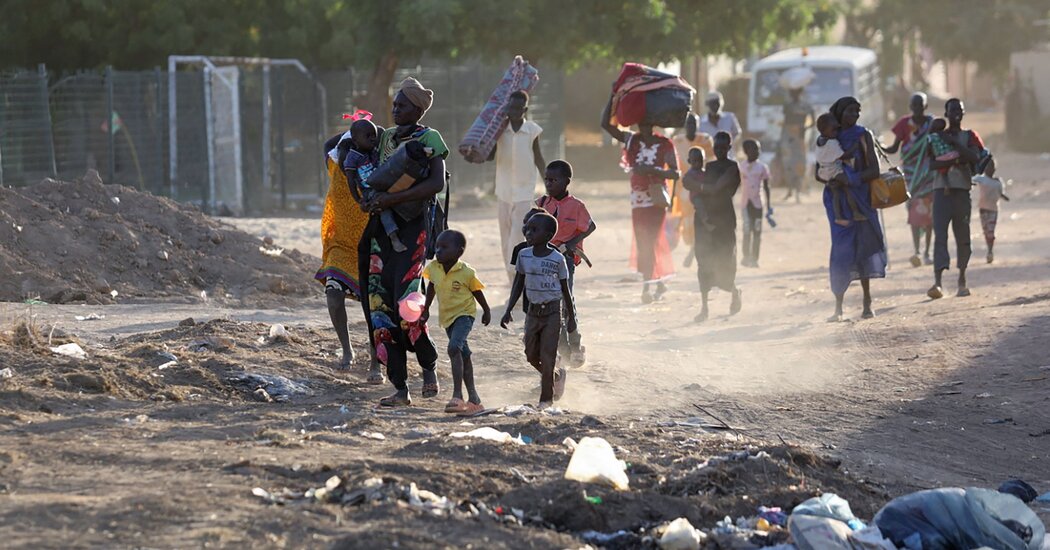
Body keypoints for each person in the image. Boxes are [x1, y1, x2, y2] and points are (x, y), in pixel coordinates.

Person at [358, 77, 448, 407]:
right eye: (394, 105)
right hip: (382, 232)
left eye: (402, 105)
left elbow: (436, 184)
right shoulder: (385, 139)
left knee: (408, 306)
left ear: (418, 109)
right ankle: (400, 387)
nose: (395, 109)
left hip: (413, 230)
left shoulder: (430, 138)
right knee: (380, 307)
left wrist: (391, 201)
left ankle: (428, 367)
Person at [600, 94, 679, 304]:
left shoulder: (665, 144)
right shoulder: (632, 139)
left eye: (646, 123)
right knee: (643, 239)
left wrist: (652, 170)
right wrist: (613, 95)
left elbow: (675, 173)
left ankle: (648, 286)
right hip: (637, 198)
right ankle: (656, 281)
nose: (643, 126)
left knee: (650, 239)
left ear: (653, 123)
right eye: (640, 123)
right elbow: (605, 125)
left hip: (656, 197)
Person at [816, 97, 887, 322]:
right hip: (838, 202)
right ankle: (838, 306)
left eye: (857, 111)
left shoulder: (863, 135)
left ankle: (867, 302)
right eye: (849, 111)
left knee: (864, 249)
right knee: (841, 251)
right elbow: (817, 171)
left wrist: (851, 179)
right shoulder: (826, 139)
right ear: (839, 113)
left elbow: (874, 170)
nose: (855, 115)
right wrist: (833, 180)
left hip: (861, 198)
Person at [500, 212, 578, 408]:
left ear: (549, 234)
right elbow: (518, 283)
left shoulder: (557, 259)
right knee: (530, 354)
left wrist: (571, 318)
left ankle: (546, 401)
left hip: (553, 312)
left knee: (547, 355)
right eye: (527, 229)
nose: (528, 232)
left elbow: (565, 289)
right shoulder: (523, 255)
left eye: (534, 230)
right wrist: (508, 309)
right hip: (533, 312)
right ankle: (555, 375)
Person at [316, 125, 374, 370]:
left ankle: (376, 359)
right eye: (344, 153)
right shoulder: (334, 167)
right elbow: (328, 143)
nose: (348, 158)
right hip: (340, 246)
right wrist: (354, 129)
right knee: (333, 296)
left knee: (373, 307)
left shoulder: (371, 172)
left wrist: (365, 134)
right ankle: (347, 349)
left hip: (371, 247)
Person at [420, 230, 491, 416]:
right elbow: (432, 287)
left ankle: (457, 395)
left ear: (459, 252)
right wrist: (426, 309)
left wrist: (487, 310)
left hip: (464, 314)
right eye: (437, 247)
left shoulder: (466, 272)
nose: (438, 251)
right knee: (463, 354)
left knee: (453, 349)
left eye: (444, 247)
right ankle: (474, 399)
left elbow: (477, 291)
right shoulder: (434, 268)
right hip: (448, 317)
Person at [536, 160, 596, 366]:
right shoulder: (542, 204)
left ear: (566, 181)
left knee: (566, 300)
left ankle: (575, 343)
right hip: (544, 260)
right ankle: (561, 346)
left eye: (554, 180)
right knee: (550, 302)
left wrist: (570, 244)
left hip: (566, 261)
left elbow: (590, 226)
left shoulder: (576, 206)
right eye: (546, 179)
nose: (549, 183)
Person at [926, 98, 984, 299]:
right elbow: (930, 164)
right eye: (952, 110)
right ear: (946, 113)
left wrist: (952, 146)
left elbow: (976, 157)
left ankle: (962, 279)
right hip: (941, 192)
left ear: (964, 112)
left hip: (961, 191)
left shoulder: (969, 136)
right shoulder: (935, 137)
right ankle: (938, 282)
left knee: (963, 236)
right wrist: (959, 158)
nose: (956, 113)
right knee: (940, 236)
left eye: (959, 110)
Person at [683, 132, 742, 322]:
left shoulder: (733, 167)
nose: (719, 151)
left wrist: (700, 188)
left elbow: (717, 187)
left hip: (724, 219)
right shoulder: (709, 166)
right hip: (705, 220)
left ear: (729, 148)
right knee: (704, 261)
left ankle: (734, 291)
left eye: (723, 148)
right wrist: (701, 189)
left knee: (725, 260)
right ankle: (704, 307)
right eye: (717, 147)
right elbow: (686, 181)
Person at [491, 90, 545, 285]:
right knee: (505, 237)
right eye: (510, 107)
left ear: (524, 109)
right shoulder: (500, 130)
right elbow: (489, 156)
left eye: (517, 108)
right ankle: (511, 277)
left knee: (517, 235)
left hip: (524, 192)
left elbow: (538, 157)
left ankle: (518, 276)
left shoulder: (532, 130)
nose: (513, 111)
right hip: (503, 192)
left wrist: (549, 182)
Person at [883, 93, 935, 267]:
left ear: (926, 107)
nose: (917, 110)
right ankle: (917, 251)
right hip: (911, 175)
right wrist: (877, 146)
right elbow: (893, 148)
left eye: (920, 106)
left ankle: (927, 252)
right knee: (914, 212)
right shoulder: (904, 124)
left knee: (929, 215)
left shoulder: (932, 124)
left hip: (928, 174)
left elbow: (937, 144)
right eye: (914, 107)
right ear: (910, 107)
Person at [342, 118, 408, 253]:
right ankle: (393, 236)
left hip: (384, 185)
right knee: (383, 208)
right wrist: (359, 199)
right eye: (368, 136)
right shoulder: (352, 157)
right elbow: (350, 180)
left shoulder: (375, 151)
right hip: (370, 191)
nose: (372, 139)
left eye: (374, 135)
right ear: (355, 140)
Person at [673, 114, 714, 268]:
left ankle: (694, 252)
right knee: (688, 224)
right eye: (689, 123)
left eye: (694, 123)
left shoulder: (705, 140)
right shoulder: (677, 141)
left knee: (700, 219)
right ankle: (693, 248)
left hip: (700, 188)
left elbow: (711, 163)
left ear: (698, 124)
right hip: (682, 189)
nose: (691, 126)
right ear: (685, 124)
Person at [814, 113, 864, 226]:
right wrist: (856, 145)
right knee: (848, 187)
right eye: (833, 130)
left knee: (836, 193)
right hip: (834, 171)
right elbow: (845, 156)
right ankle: (856, 212)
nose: (836, 133)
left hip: (823, 172)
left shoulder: (819, 141)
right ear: (825, 130)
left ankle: (838, 217)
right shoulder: (832, 143)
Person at [738, 139, 772, 268]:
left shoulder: (762, 167)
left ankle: (754, 258)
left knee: (757, 231)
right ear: (747, 152)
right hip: (745, 204)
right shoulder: (741, 167)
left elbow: (767, 187)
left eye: (759, 149)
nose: (758, 152)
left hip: (758, 204)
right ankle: (746, 257)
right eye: (755, 149)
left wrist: (769, 206)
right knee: (747, 230)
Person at [779, 88, 814, 202]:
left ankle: (799, 191)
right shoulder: (787, 105)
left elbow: (812, 121)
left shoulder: (806, 105)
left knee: (800, 163)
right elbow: (785, 121)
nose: (794, 95)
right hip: (788, 137)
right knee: (788, 163)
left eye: (795, 93)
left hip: (800, 137)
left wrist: (805, 128)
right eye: (792, 93)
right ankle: (790, 190)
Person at [972, 157, 1008, 264]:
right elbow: (971, 180)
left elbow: (1000, 193)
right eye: (988, 167)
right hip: (983, 209)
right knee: (986, 230)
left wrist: (1004, 197)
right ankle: (989, 250)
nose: (990, 169)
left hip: (993, 209)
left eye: (991, 167)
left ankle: (990, 251)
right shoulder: (981, 179)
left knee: (990, 231)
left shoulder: (998, 182)